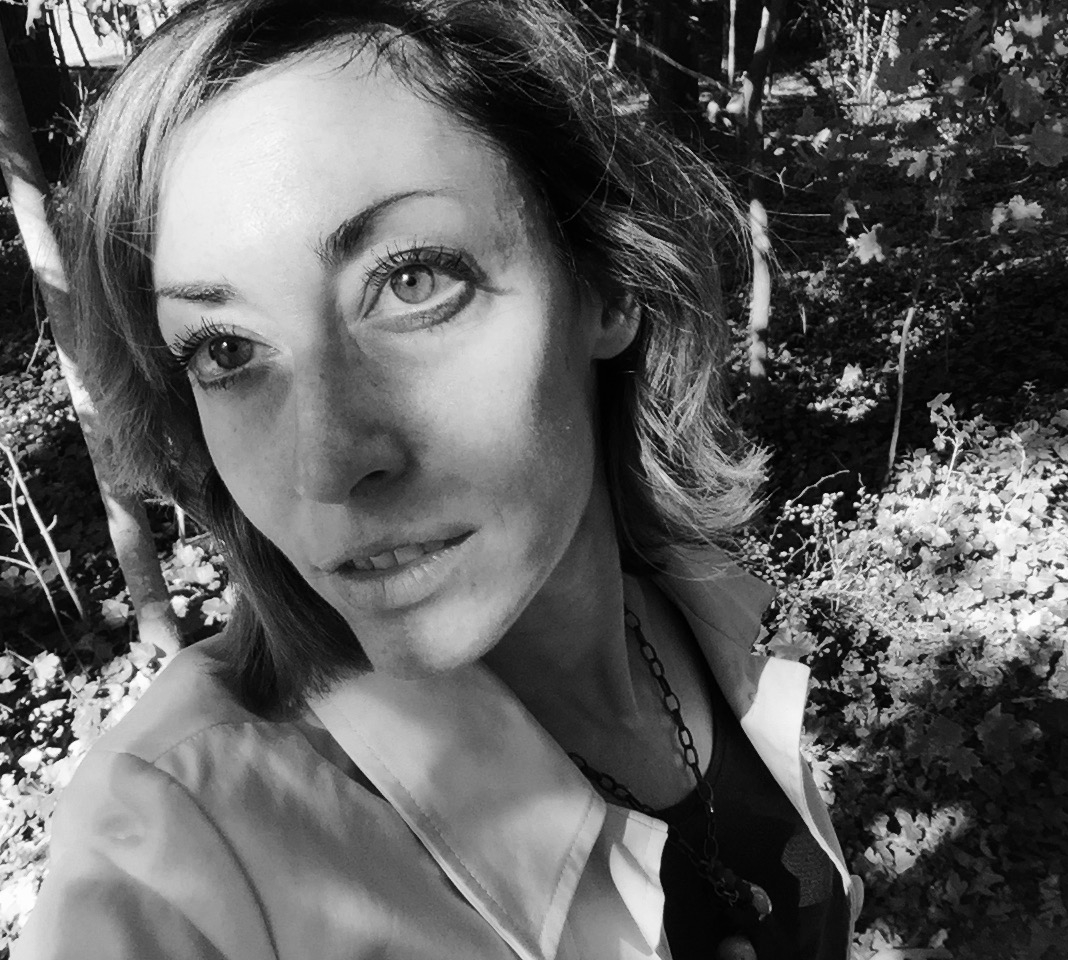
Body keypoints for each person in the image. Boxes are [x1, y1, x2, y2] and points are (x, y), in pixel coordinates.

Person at [15, 0, 862, 957]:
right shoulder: (173, 851)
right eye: (225, 349)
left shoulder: (708, 616)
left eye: (412, 281)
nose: (329, 465)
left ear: (607, 284)